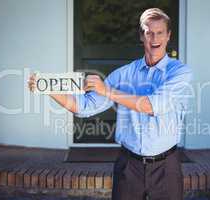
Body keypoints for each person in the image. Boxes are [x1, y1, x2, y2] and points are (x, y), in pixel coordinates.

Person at [29, 8, 192, 200]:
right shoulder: (123, 74)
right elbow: (83, 107)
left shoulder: (180, 72)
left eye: (160, 32)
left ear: (168, 36)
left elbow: (152, 106)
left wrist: (106, 90)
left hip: (166, 167)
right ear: (141, 36)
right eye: (149, 33)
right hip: (129, 166)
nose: (154, 38)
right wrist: (46, 87)